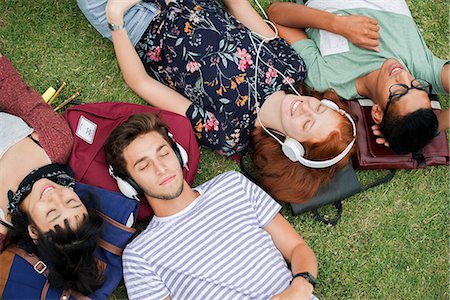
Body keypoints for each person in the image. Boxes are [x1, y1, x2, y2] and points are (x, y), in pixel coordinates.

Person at [79, 0, 356, 203]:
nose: (305, 107)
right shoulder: (291, 67)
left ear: (292, 148)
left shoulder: (228, 133)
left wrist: (115, 18)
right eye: (319, 108)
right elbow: (237, 6)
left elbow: (142, 83)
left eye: (307, 123)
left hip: (135, 19)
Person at [104, 112, 319, 300]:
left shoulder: (232, 185)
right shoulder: (140, 255)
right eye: (144, 166)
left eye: (164, 153)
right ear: (129, 184)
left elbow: (297, 248)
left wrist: (300, 287)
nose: (161, 169)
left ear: (178, 153)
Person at [267, 0, 449, 154]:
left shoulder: (328, 79)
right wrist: (432, 129)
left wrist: (336, 24)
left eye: (399, 91)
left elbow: (276, 13)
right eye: (416, 85)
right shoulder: (421, 68)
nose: (402, 74)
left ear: (377, 112)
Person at [0, 53, 105, 295]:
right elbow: (12, 90)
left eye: (51, 212)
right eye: (70, 201)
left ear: (33, 231)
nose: (54, 195)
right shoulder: (55, 142)